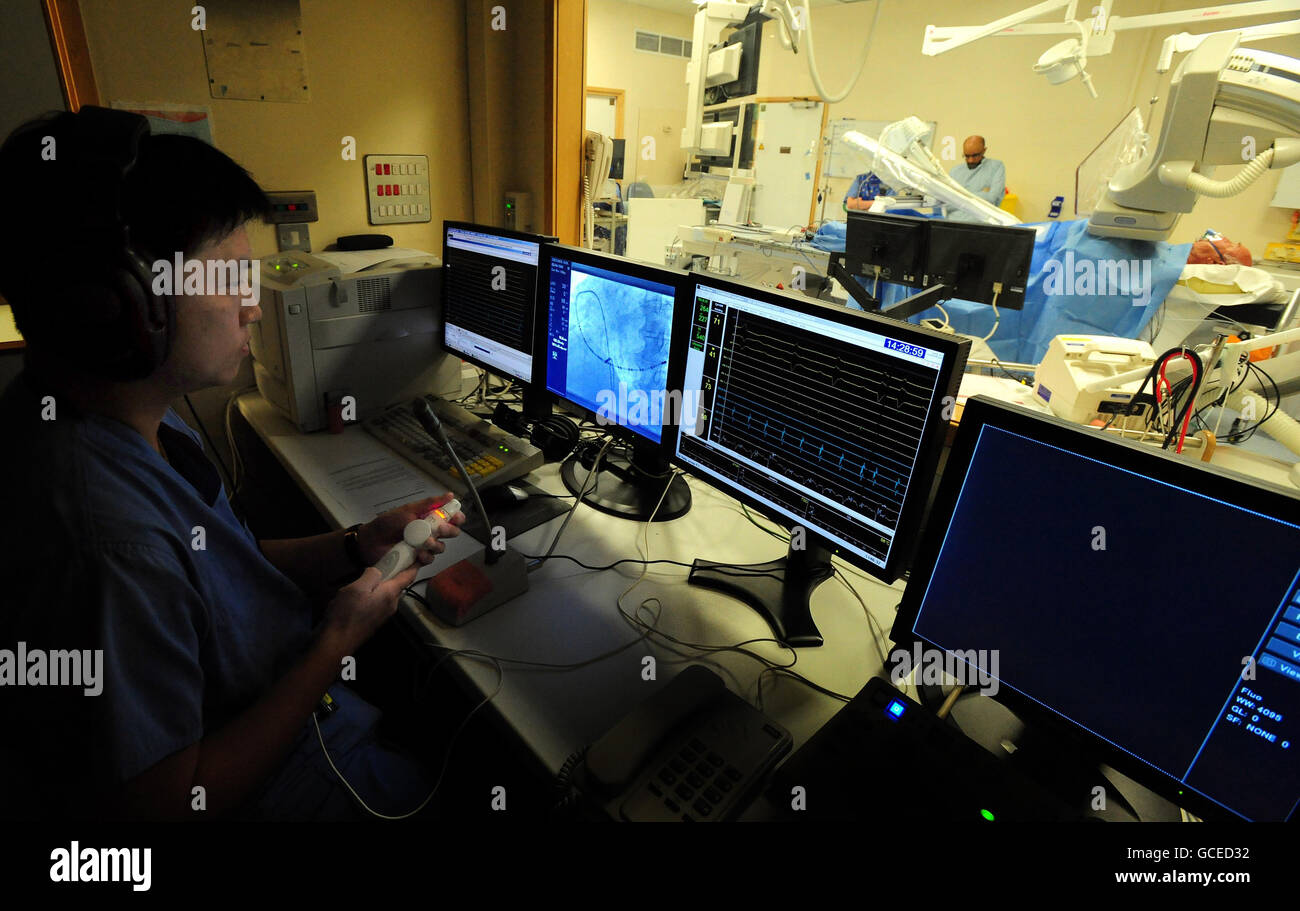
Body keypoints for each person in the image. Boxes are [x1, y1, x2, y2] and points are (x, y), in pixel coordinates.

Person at [0, 107, 465, 820]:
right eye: (231, 277)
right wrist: (335, 640)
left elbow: (219, 578)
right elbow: (169, 802)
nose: (252, 307)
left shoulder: (127, 423)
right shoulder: (106, 540)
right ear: (126, 303)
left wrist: (351, 545)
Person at [948, 135, 1006, 220]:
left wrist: (959, 198)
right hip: (953, 223)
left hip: (982, 224)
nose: (970, 160)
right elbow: (946, 203)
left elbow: (991, 198)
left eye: (975, 155)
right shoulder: (955, 171)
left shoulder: (996, 167)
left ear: (984, 151)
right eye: (967, 156)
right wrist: (982, 194)